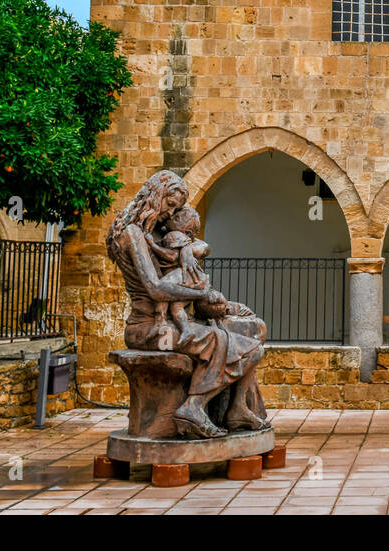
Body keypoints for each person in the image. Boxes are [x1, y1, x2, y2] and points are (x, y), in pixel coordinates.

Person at [106, 171, 270, 439]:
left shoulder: (155, 232)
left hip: (171, 322)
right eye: (169, 204)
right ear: (155, 196)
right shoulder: (132, 233)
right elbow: (155, 289)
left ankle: (238, 409)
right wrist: (200, 291)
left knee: (251, 332)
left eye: (175, 208)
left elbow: (199, 245)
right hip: (149, 328)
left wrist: (185, 251)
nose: (170, 213)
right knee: (241, 347)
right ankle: (193, 407)